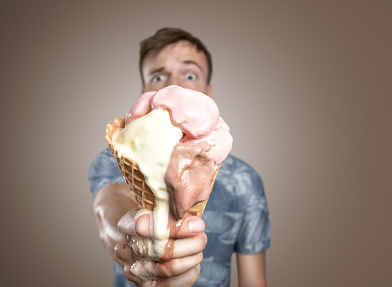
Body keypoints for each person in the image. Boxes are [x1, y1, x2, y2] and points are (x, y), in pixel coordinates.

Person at [89, 27, 271, 287]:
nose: (173, 85)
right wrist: (131, 239)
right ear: (144, 92)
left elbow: (254, 282)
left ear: (208, 93)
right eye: (158, 76)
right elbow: (108, 206)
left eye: (189, 74)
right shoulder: (114, 158)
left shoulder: (245, 181)